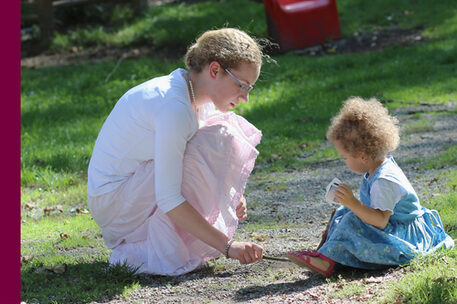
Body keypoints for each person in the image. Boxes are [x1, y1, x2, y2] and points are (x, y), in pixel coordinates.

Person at [87, 28, 266, 275]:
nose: (245, 97)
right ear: (214, 70)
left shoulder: (192, 93)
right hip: (115, 205)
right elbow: (169, 199)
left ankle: (172, 239)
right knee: (217, 138)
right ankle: (143, 248)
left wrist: (230, 193)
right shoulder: (175, 107)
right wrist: (228, 246)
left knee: (220, 130)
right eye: (242, 85)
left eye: (250, 88)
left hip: (130, 193)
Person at [287, 97, 454, 277]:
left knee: (351, 218)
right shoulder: (377, 168)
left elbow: (381, 221)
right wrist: (350, 205)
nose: (344, 162)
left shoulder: (384, 181)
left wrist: (354, 203)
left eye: (345, 157)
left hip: (402, 238)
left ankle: (328, 261)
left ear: (362, 155)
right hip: (392, 225)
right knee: (344, 212)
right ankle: (326, 254)